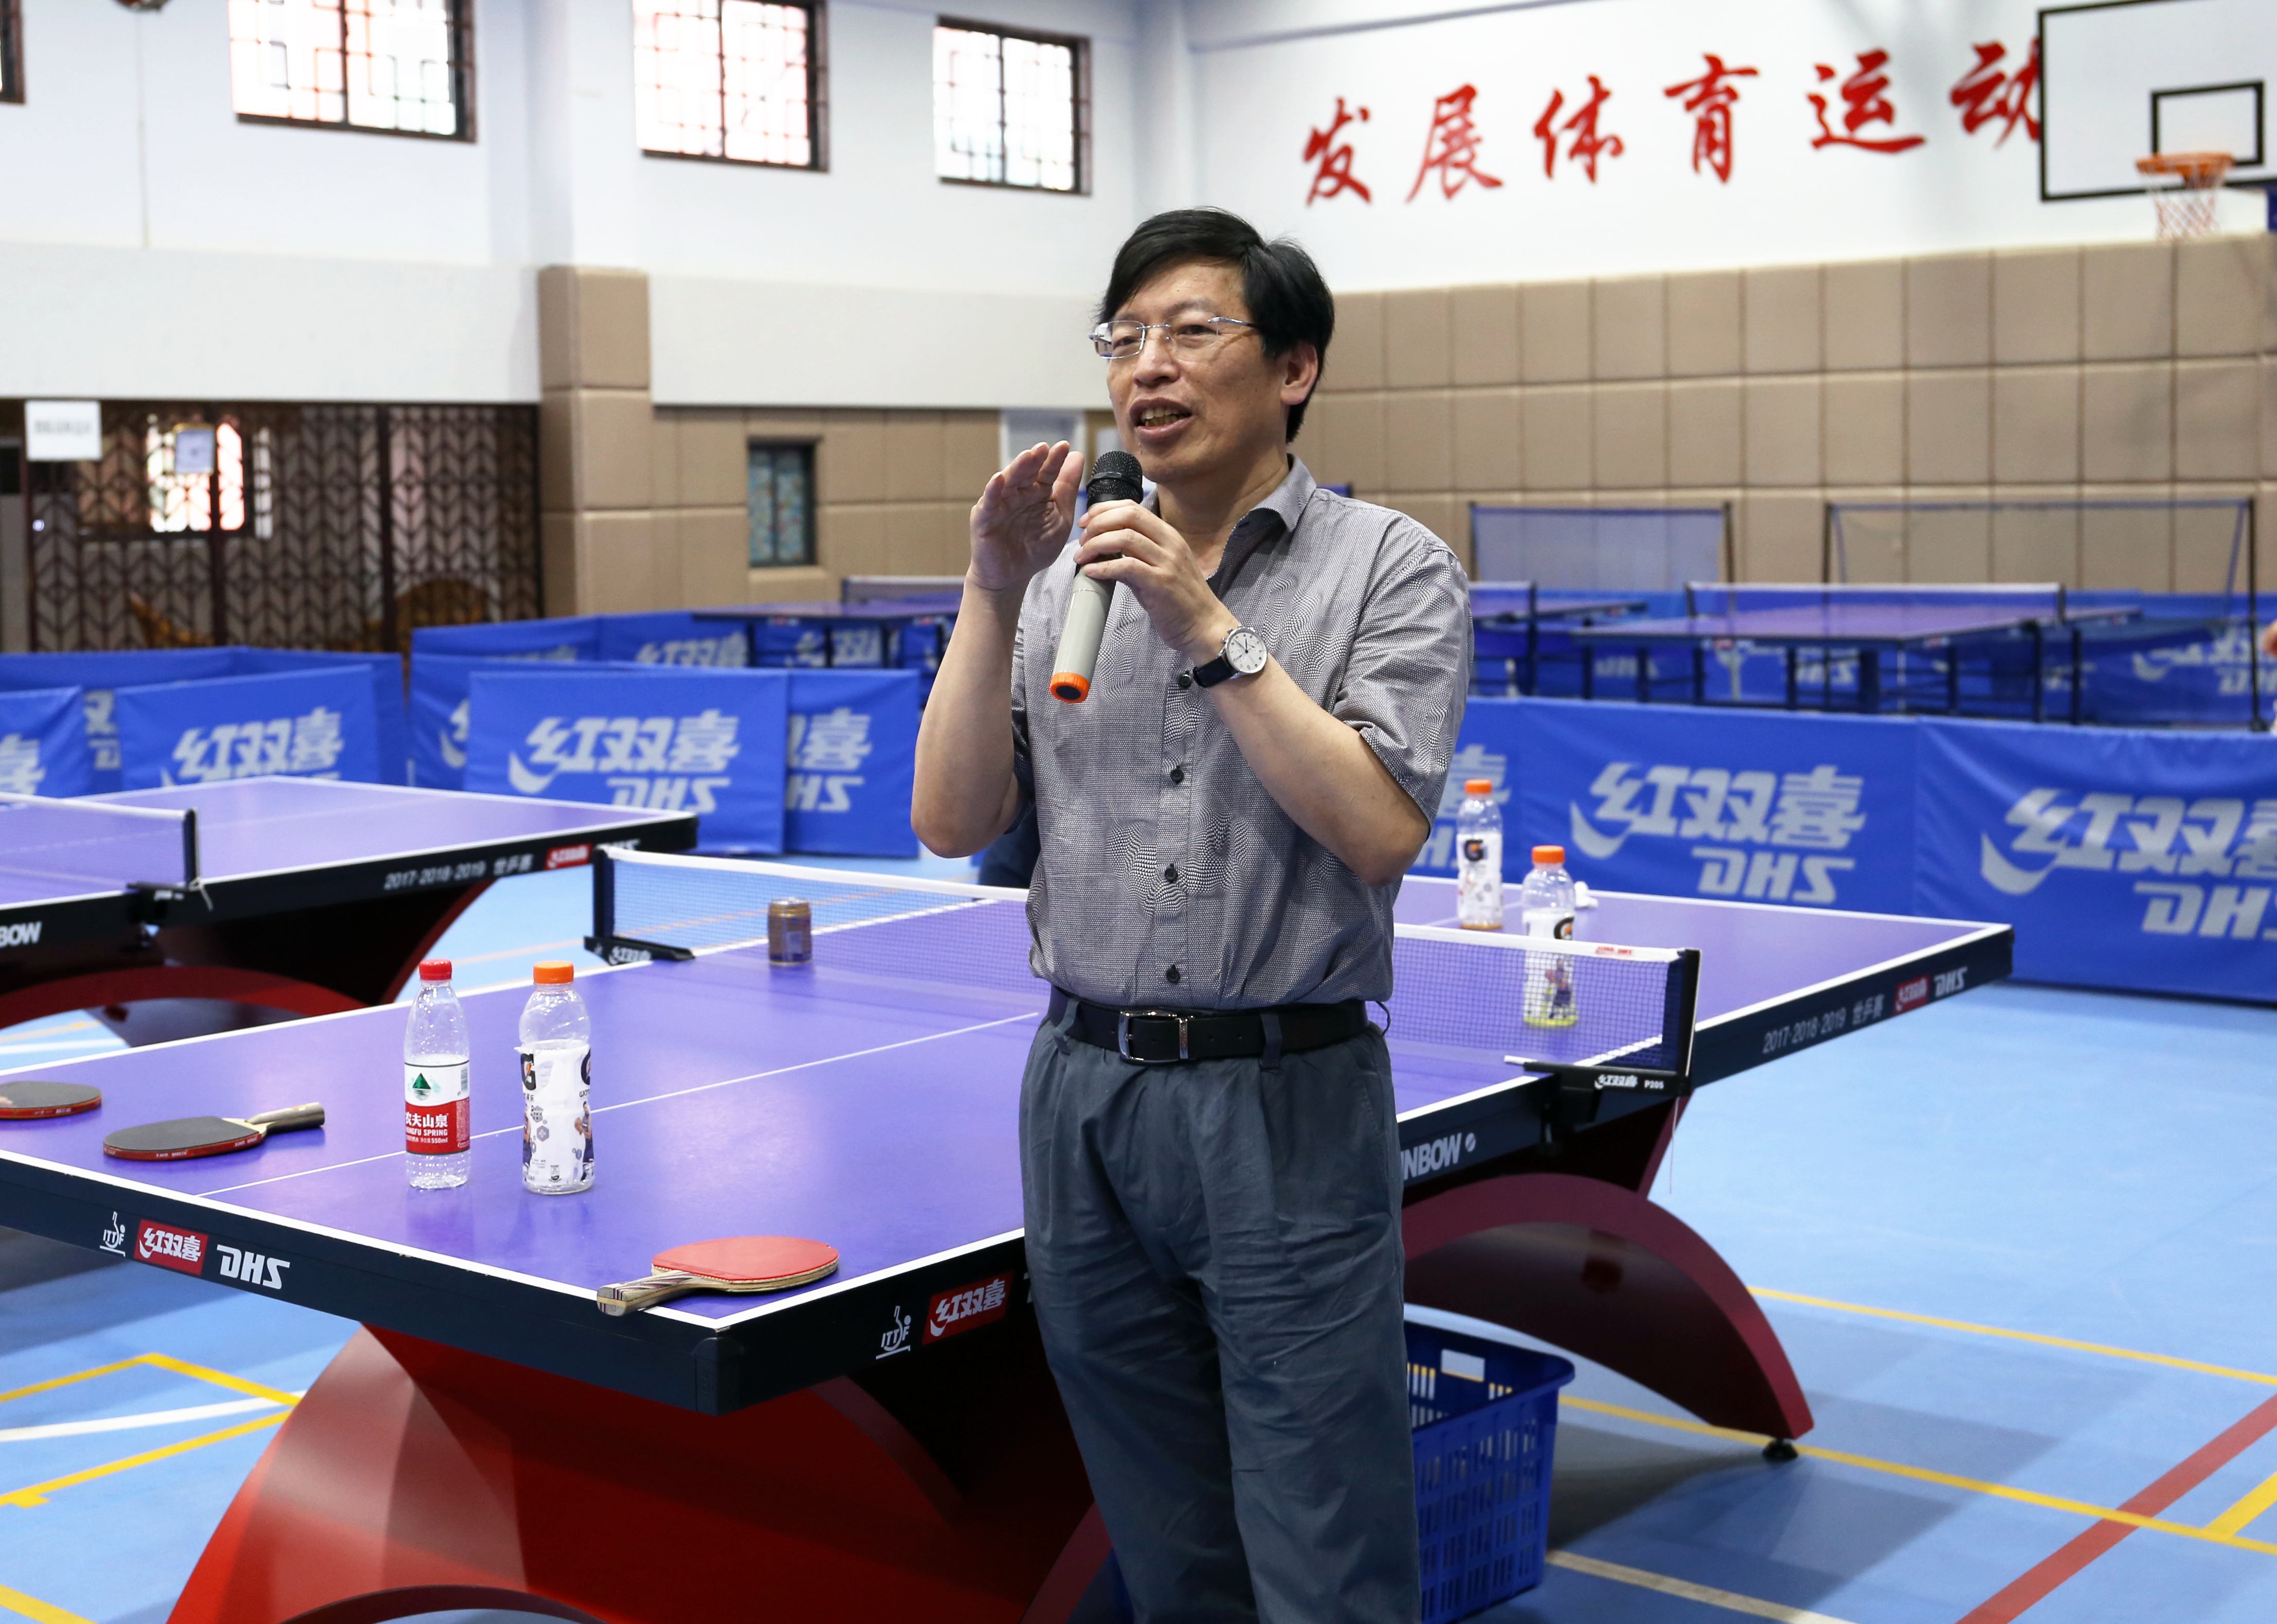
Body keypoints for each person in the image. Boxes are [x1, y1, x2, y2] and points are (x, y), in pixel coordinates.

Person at [913, 208, 1471, 1622]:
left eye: (1190, 331)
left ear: (1292, 367)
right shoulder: (1061, 582)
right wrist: (991, 589)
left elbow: (1378, 828)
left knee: (1323, 1535)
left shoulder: (1389, 567)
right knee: (1164, 1537)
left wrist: (1206, 627)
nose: (1146, 367)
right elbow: (951, 822)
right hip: (1082, 1093)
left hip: (1283, 1101)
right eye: (1123, 339)